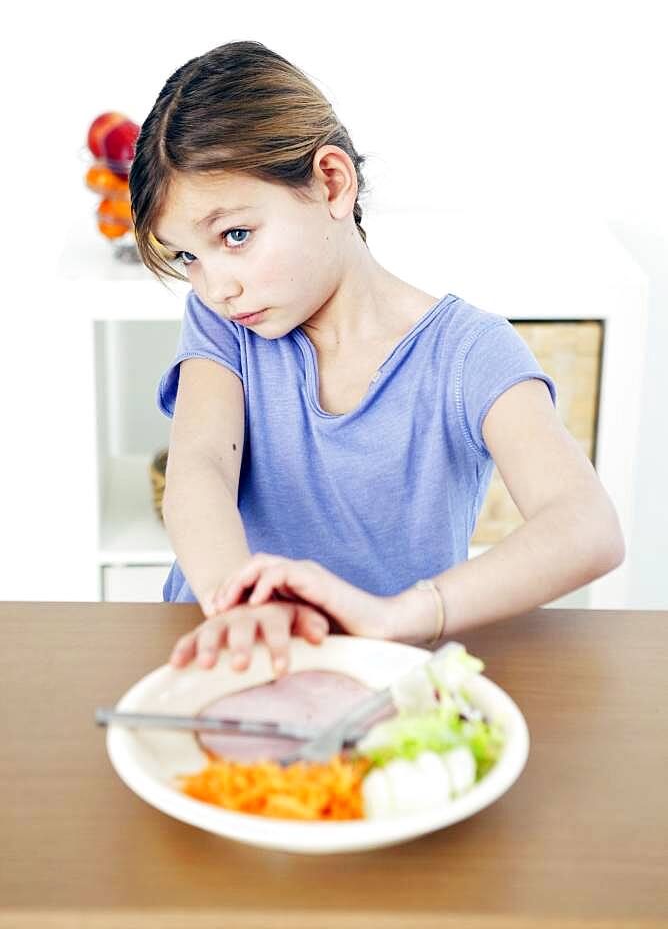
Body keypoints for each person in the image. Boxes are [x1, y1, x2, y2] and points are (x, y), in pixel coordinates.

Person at [129, 40, 625, 677]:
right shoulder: (226, 327)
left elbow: (587, 526)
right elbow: (199, 469)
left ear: (332, 182)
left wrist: (403, 615)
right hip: (233, 654)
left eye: (235, 236)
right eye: (188, 258)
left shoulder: (469, 354)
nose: (215, 287)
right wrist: (237, 602)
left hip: (382, 669)